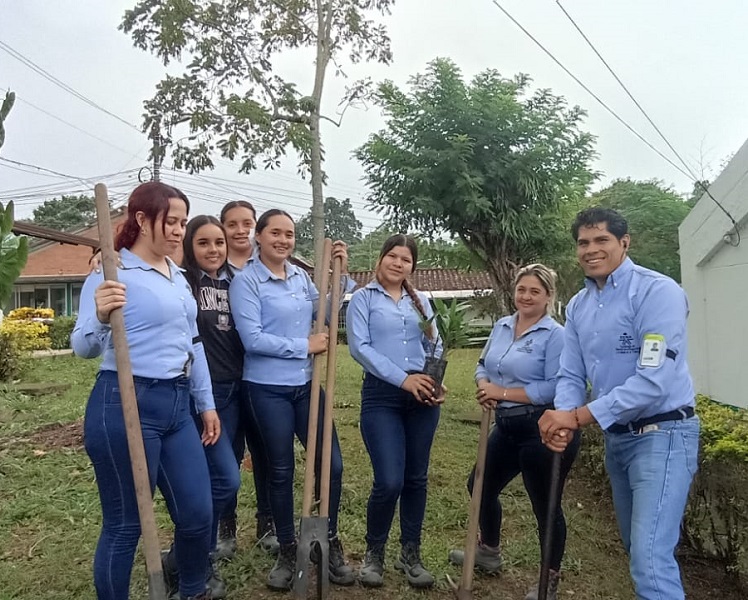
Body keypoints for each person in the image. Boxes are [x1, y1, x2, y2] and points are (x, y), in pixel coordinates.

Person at [539, 207, 699, 600]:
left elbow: (653, 381)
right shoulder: (578, 306)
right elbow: (570, 375)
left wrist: (578, 416)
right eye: (583, 242)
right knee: (637, 550)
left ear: (624, 243)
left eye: (601, 240)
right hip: (619, 440)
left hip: (663, 434)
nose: (591, 249)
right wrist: (563, 416)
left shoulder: (657, 292)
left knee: (649, 559)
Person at [71, 181, 219, 600]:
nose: (178, 231)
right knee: (125, 524)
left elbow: (193, 343)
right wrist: (101, 315)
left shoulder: (177, 276)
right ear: (141, 219)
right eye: (170, 221)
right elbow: (82, 346)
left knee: (197, 513)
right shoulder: (110, 272)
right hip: (124, 402)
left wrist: (205, 403)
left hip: (177, 405)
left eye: (182, 222)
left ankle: (191, 590)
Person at [229, 209, 355, 591]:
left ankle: (327, 541)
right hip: (266, 388)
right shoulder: (247, 281)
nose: (283, 240)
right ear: (259, 237)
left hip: (306, 386)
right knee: (281, 470)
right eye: (276, 233)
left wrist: (339, 275)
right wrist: (304, 345)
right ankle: (287, 548)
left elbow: (325, 311)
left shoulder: (300, 277)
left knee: (331, 465)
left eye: (289, 234)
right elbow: (252, 339)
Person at [448, 264, 580, 600]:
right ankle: (489, 551)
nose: (526, 296)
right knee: (479, 485)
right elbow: (483, 364)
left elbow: (554, 387)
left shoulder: (556, 335)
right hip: (506, 425)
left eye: (535, 291)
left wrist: (502, 392)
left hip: (542, 428)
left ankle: (548, 580)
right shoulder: (503, 325)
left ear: (549, 296)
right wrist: (484, 385)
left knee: (545, 506)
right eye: (522, 289)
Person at [346, 234, 443, 589]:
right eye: (393, 256)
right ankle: (374, 553)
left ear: (412, 266)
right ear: (381, 257)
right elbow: (360, 348)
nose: (398, 263)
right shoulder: (363, 299)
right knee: (389, 480)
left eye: (406, 259)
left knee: (416, 478)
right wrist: (404, 380)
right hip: (382, 396)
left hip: (422, 398)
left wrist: (434, 381)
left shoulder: (421, 302)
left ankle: (410, 553)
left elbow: (435, 343)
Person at [158, 215, 243, 599]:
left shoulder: (237, 282)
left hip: (235, 392)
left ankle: (186, 556)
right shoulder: (183, 283)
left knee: (221, 478)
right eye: (204, 242)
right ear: (189, 246)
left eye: (219, 242)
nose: (213, 250)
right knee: (221, 479)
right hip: (198, 398)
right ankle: (196, 556)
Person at [215, 200, 278, 558]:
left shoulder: (267, 265)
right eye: (232, 224)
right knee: (228, 452)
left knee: (266, 449)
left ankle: (267, 522)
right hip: (224, 374)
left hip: (265, 375)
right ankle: (226, 527)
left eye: (247, 223)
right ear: (222, 227)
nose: (240, 230)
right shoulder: (211, 268)